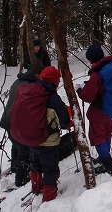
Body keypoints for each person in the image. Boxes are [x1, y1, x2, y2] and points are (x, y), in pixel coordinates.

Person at [0, 60, 45, 187]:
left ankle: (14, 167)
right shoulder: (30, 85)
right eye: (42, 74)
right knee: (24, 148)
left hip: (7, 119)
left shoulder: (18, 81)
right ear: (36, 74)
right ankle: (21, 178)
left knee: (16, 144)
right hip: (15, 120)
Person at [28, 66, 70, 202]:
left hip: (31, 138)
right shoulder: (52, 98)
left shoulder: (31, 92)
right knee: (50, 168)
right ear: (55, 81)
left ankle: (36, 186)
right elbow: (63, 121)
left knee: (35, 163)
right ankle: (49, 194)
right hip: (48, 141)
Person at [76, 43, 112, 174]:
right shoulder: (111, 67)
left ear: (92, 59)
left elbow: (87, 96)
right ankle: (104, 157)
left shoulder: (97, 73)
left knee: (98, 135)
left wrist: (80, 91)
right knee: (107, 132)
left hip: (100, 110)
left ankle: (108, 163)